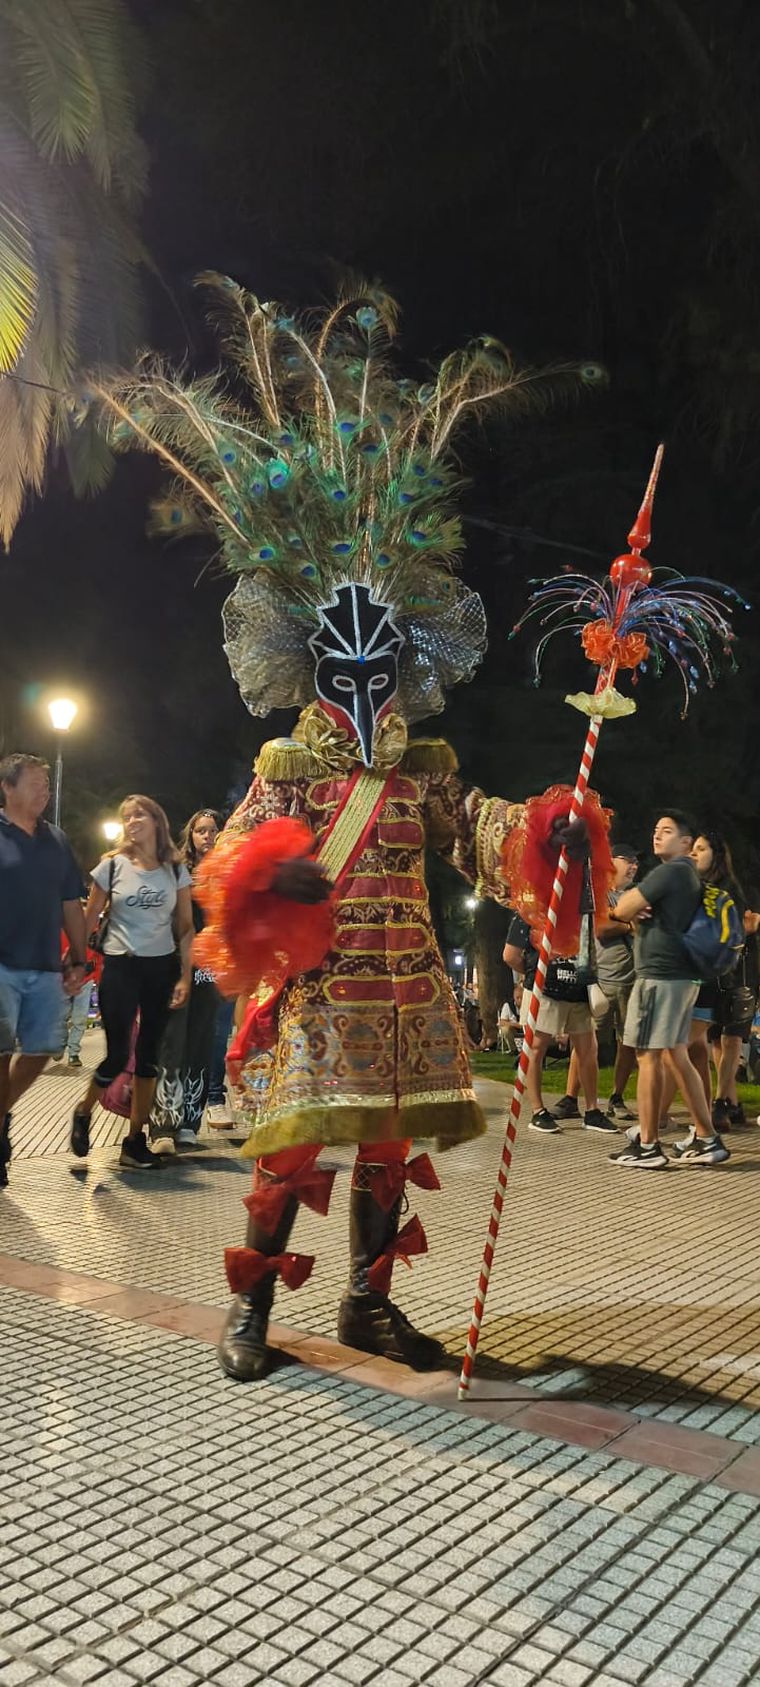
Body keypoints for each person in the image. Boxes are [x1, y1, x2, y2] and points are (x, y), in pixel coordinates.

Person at [99, 274, 600, 1379]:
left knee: (383, 1151)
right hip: (321, 992)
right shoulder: (289, 764)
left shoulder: (423, 764)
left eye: (387, 666)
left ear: (407, 664)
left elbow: (476, 828)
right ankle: (253, 1317)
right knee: (289, 1154)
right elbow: (227, 859)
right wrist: (281, 878)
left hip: (409, 987)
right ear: (316, 663)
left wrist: (553, 827)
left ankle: (370, 1306)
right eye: (349, 665)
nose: (371, 682)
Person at [69, 795, 193, 1170]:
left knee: (150, 1057)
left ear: (157, 820)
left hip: (161, 969)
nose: (132, 821)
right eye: (126, 816)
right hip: (121, 967)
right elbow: (89, 918)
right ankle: (83, 1110)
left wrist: (184, 976)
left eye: (139, 814)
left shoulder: (175, 870)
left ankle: (134, 1140)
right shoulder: (111, 866)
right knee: (119, 1053)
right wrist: (74, 962)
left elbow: (186, 928)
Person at [609, 811, 729, 1168]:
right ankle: (707, 1138)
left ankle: (647, 1145)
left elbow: (624, 907)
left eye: (667, 831)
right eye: (655, 830)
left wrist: (630, 907)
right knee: (676, 1055)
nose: (657, 836)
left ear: (685, 843)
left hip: (659, 976)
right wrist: (636, 907)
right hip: (682, 978)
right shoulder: (689, 876)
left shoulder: (671, 871)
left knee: (646, 1056)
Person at [0, 753, 87, 1188]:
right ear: (8, 788)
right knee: (0, 1053)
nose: (44, 791)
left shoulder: (57, 840)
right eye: (34, 783)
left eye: (46, 784)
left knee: (41, 1049)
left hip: (45, 964)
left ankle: (0, 1113)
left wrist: (80, 957)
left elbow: (71, 902)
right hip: (1, 964)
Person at [150, 809, 222, 1151]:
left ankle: (190, 1122)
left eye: (212, 830)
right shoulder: (177, 870)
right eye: (201, 830)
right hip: (177, 966)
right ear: (190, 835)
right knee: (171, 1041)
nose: (207, 836)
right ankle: (163, 1124)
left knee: (201, 1042)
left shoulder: (230, 873)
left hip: (211, 968)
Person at [503, 914, 614, 1134]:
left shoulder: (583, 909)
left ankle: (591, 1111)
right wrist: (534, 973)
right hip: (545, 989)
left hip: (578, 988)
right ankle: (538, 1110)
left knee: (587, 1049)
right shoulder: (530, 910)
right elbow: (510, 955)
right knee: (537, 1047)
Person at [553, 845, 639, 1122]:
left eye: (635, 862)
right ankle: (570, 1098)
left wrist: (620, 918)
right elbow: (600, 929)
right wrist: (627, 924)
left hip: (631, 979)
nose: (632, 866)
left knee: (628, 1042)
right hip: (601, 978)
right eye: (627, 860)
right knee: (586, 1040)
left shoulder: (636, 896)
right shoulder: (600, 894)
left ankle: (617, 1097)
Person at [691, 831, 758, 1132]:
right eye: (693, 848)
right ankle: (731, 1101)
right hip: (713, 973)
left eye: (701, 849)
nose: (694, 854)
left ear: (716, 855)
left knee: (731, 1038)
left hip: (738, 973)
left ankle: (719, 1103)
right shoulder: (698, 888)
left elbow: (742, 929)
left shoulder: (728, 889)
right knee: (716, 1038)